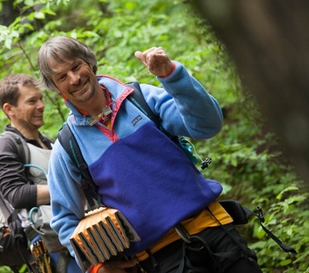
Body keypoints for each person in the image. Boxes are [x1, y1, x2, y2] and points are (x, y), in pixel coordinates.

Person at [36, 36, 263, 273]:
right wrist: (97, 266)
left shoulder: (140, 98)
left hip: (215, 228)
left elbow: (207, 125)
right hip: (159, 260)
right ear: (55, 87)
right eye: (62, 77)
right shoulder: (68, 146)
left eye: (76, 66)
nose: (74, 79)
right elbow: (64, 220)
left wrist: (172, 76)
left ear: (89, 62)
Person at [0, 73, 81, 273]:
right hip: (49, 247)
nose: (41, 105)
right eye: (32, 101)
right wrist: (67, 187)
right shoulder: (5, 145)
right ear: (9, 109)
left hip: (73, 233)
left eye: (40, 99)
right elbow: (15, 195)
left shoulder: (48, 142)